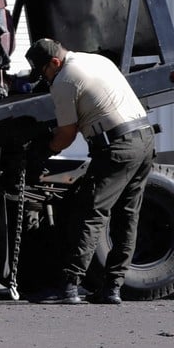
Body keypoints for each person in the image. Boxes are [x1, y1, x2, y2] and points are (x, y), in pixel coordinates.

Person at [25, 38, 156, 305]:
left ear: (54, 63)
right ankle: (112, 289)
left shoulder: (64, 80)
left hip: (117, 147)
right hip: (144, 139)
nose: (45, 79)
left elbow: (66, 135)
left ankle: (69, 287)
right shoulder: (96, 59)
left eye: (44, 73)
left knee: (90, 213)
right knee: (127, 216)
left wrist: (40, 151)